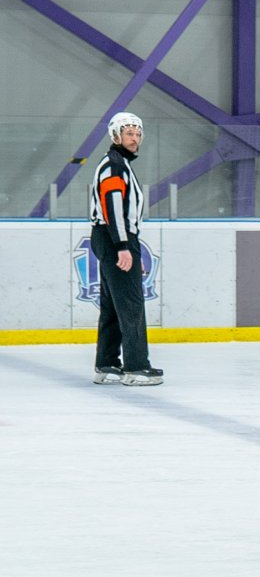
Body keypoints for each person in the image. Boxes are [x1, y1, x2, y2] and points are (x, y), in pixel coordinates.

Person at [90, 111, 157, 385]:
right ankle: (136, 367)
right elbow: (112, 206)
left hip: (112, 238)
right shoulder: (114, 165)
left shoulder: (119, 164)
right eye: (129, 133)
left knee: (113, 305)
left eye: (138, 134)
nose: (135, 138)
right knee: (131, 303)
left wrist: (128, 246)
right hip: (114, 237)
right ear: (116, 136)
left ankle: (106, 364)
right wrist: (123, 246)